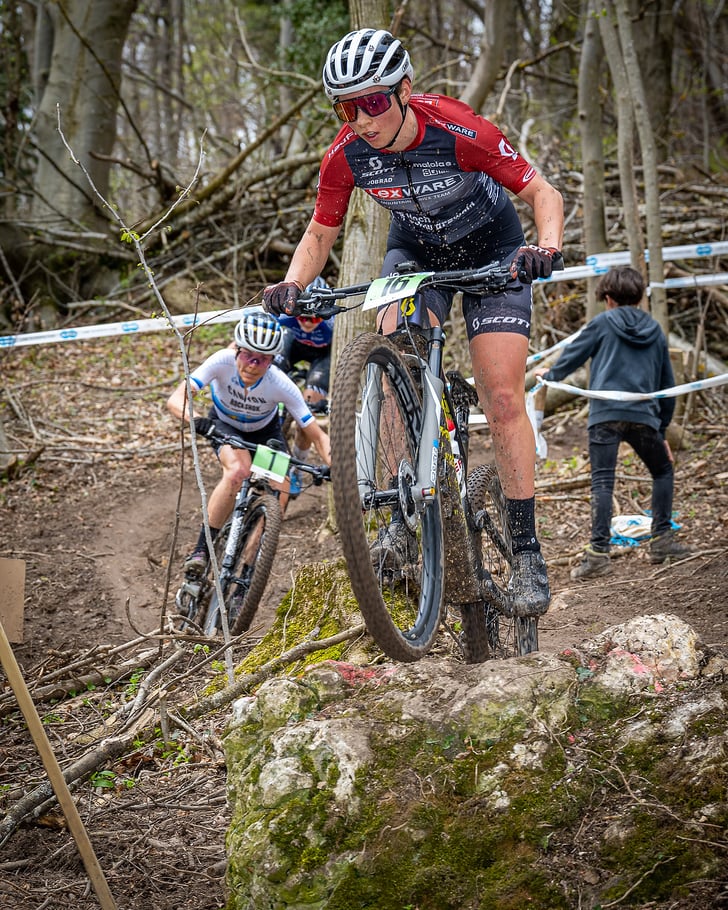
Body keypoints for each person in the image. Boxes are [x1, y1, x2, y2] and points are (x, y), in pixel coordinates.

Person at [262, 28, 564, 616]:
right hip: (415, 253)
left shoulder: (460, 129)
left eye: (373, 101)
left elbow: (542, 192)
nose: (362, 118)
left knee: (501, 398)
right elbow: (322, 230)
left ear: (403, 90)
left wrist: (545, 249)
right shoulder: (348, 151)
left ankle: (528, 554)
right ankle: (399, 517)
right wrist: (292, 285)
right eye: (347, 106)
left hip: (493, 249)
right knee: (389, 355)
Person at [535, 266, 691, 580]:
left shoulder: (603, 322)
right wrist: (661, 430)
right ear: (639, 297)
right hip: (643, 415)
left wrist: (548, 377)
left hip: (605, 415)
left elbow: (573, 356)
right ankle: (661, 539)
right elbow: (668, 385)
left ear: (608, 298)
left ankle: (598, 554)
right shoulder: (655, 329)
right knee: (662, 471)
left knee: (603, 482)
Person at [167, 310, 331, 579]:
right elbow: (176, 399)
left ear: (273, 360)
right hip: (224, 425)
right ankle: (201, 551)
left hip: (264, 434)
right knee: (237, 470)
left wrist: (338, 470)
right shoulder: (221, 362)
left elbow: (317, 435)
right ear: (237, 350)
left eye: (263, 359)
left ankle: (248, 570)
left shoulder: (280, 383)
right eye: (248, 356)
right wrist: (197, 420)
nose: (253, 365)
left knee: (282, 488)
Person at [274, 276, 335, 489]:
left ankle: (297, 471)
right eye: (304, 317)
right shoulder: (286, 317)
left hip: (322, 356)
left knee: (307, 416)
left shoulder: (332, 323)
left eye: (315, 318)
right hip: (294, 345)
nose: (309, 322)